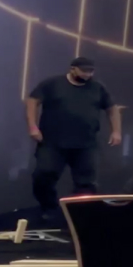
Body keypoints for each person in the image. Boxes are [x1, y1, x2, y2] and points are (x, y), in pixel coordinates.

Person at [26, 57, 121, 214]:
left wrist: (116, 131)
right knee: (43, 175)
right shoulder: (53, 84)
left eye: (90, 71)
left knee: (86, 182)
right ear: (72, 69)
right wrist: (33, 126)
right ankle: (49, 208)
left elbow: (112, 108)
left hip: (86, 143)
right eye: (84, 71)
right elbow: (32, 100)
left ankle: (80, 213)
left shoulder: (97, 87)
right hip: (52, 142)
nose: (87, 75)